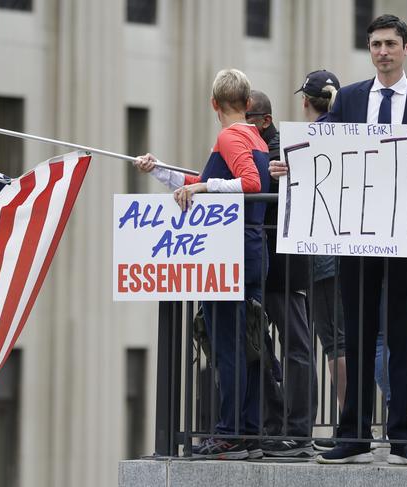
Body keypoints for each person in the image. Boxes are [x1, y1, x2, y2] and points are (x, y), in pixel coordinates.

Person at [312, 14, 407, 467]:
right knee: (357, 334)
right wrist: (291, 167)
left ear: (406, 48)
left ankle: (403, 436)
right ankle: (354, 434)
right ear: (370, 48)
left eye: (390, 44)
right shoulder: (351, 98)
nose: (382, 51)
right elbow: (325, 152)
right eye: (376, 44)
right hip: (357, 235)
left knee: (402, 335)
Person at [134, 68, 270, 460]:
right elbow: (207, 179)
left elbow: (247, 184)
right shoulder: (254, 136)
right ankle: (246, 432)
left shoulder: (229, 136)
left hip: (230, 255)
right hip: (251, 251)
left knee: (228, 346)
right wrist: (161, 169)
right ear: (247, 104)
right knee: (247, 343)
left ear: (214, 105)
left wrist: (202, 186)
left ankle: (230, 434)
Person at [268, 71, 348, 451]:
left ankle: (348, 426)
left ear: (306, 102)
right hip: (349, 252)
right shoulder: (347, 134)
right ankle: (350, 424)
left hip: (321, 255)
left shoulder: (298, 140)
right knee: (343, 341)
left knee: (335, 343)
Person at [246, 90, 317, 458]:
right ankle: (273, 422)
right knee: (258, 348)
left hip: (285, 266)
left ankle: (299, 427)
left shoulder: (282, 149)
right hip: (257, 267)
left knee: (296, 347)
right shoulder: (245, 148)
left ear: (264, 121)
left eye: (247, 120)